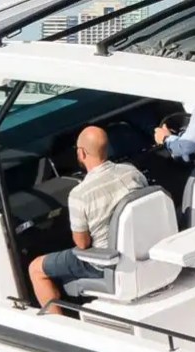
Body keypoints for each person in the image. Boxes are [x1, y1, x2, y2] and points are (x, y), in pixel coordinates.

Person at [29, 125, 147, 314]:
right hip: (140, 248)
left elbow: (82, 244)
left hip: (104, 262)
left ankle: (60, 326)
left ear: (81, 153)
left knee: (36, 268)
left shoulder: (79, 194)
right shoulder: (131, 172)